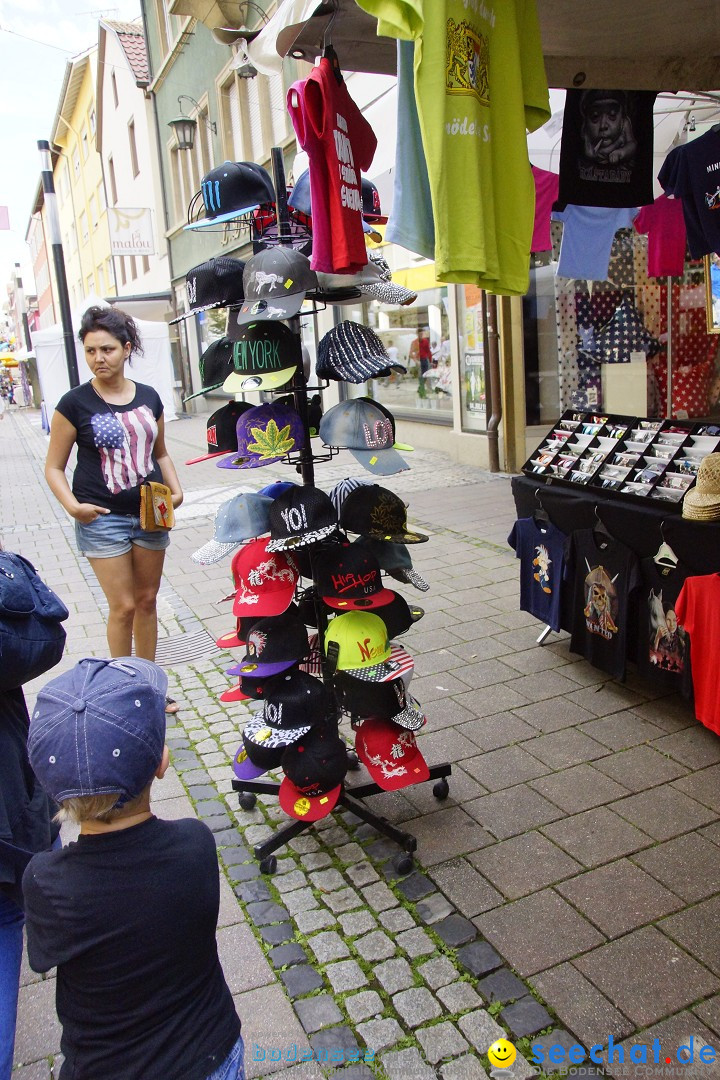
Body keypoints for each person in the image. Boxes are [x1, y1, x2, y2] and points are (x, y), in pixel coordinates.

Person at [22, 656, 243, 1080]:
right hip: (211, 1050)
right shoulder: (194, 844)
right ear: (161, 764)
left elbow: (44, 958)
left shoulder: (46, 880)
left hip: (108, 1067)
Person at [44, 307, 183, 713]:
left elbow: (162, 453)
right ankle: (122, 691)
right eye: (90, 351)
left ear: (126, 349)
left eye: (106, 349)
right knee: (122, 606)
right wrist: (73, 507)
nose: (98, 358)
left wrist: (176, 491)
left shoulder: (149, 397)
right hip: (101, 519)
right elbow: (53, 466)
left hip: (150, 514)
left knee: (148, 600)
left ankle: (150, 687)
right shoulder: (74, 403)